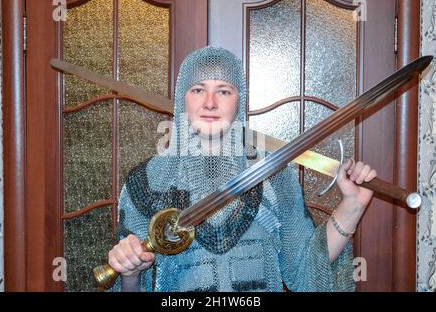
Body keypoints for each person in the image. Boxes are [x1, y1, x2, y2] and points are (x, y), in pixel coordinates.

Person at [107, 46, 377, 292]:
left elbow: (306, 271)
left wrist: (352, 205)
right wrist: (130, 273)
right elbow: (131, 285)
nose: (210, 102)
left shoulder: (273, 175)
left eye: (224, 90)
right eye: (198, 89)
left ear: (239, 101)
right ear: (182, 100)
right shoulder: (148, 183)